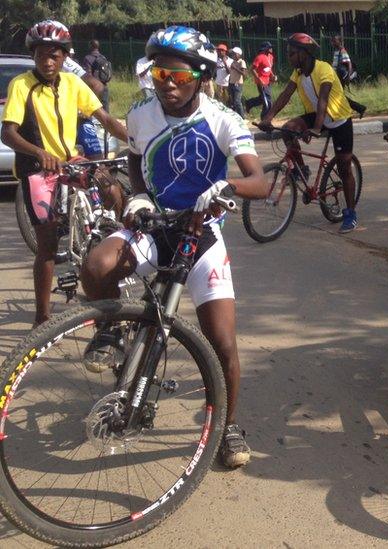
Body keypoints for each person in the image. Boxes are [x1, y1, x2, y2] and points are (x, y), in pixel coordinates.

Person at [80, 25, 268, 468]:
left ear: (201, 78)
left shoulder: (225, 119)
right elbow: (134, 151)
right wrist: (139, 192)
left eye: (179, 78)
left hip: (200, 237)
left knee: (222, 343)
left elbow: (259, 180)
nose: (168, 85)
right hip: (153, 225)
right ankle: (113, 333)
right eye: (159, 74)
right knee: (96, 265)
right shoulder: (143, 112)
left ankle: (226, 424)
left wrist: (228, 186)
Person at [1, 20, 127, 327]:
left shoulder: (72, 84)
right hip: (38, 169)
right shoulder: (21, 85)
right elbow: (8, 133)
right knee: (47, 243)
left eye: (55, 55)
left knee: (113, 190)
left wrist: (136, 141)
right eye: (42, 54)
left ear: (64, 57)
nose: (48, 61)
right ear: (33, 56)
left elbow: (105, 118)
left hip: (72, 161)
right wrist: (39, 153)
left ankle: (113, 241)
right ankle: (42, 316)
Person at [258, 33, 360, 233]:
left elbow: (323, 100)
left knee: (345, 168)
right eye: (288, 53)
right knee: (287, 130)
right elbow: (285, 95)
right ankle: (301, 170)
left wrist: (315, 128)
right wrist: (268, 118)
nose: (289, 57)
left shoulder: (324, 70)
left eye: (292, 53)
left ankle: (350, 214)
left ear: (304, 53)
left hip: (339, 119)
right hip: (317, 116)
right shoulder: (298, 73)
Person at [330, 35, 367, 118]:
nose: (332, 42)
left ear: (340, 41)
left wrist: (348, 77)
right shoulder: (336, 51)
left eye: (334, 41)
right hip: (336, 77)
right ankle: (359, 108)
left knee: (337, 95)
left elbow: (349, 64)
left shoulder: (342, 51)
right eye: (332, 41)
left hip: (341, 77)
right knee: (339, 95)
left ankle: (355, 109)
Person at [245, 41, 275, 119]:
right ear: (266, 49)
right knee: (268, 102)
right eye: (270, 47)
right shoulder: (260, 57)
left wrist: (272, 75)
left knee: (263, 99)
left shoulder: (271, 57)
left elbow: (268, 68)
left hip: (268, 82)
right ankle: (264, 119)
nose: (271, 49)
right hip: (261, 82)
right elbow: (252, 69)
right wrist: (258, 79)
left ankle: (249, 103)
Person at [81, 39, 111, 109]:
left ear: (90, 46)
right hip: (104, 86)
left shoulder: (87, 58)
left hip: (94, 87)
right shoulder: (103, 57)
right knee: (105, 109)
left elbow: (88, 74)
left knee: (94, 109)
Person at [227, 47, 247, 116]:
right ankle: (235, 116)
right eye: (232, 54)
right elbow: (231, 73)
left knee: (237, 101)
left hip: (238, 84)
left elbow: (244, 73)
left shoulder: (241, 62)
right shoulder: (233, 62)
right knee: (232, 101)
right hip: (232, 83)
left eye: (234, 54)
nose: (232, 55)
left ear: (238, 54)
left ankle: (242, 116)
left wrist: (235, 68)